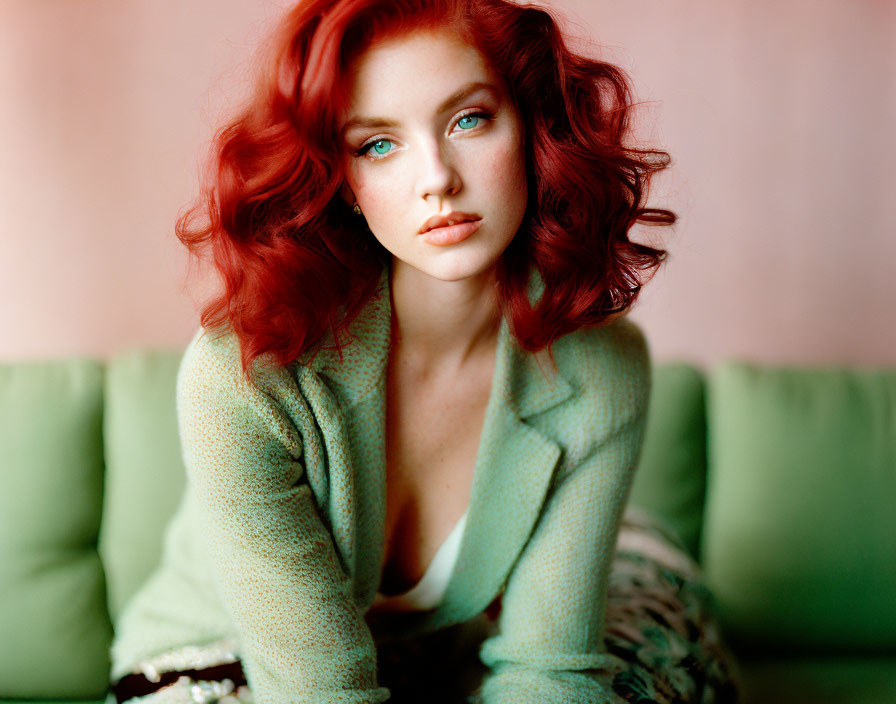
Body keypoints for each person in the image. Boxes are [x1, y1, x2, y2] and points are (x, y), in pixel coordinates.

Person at [108, 0, 739, 702]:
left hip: (443, 663)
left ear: (533, 126)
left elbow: (551, 669)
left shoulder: (600, 370)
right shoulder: (245, 376)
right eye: (378, 144)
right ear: (343, 182)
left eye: (468, 119)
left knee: (648, 667)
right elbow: (318, 693)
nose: (436, 177)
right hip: (228, 659)